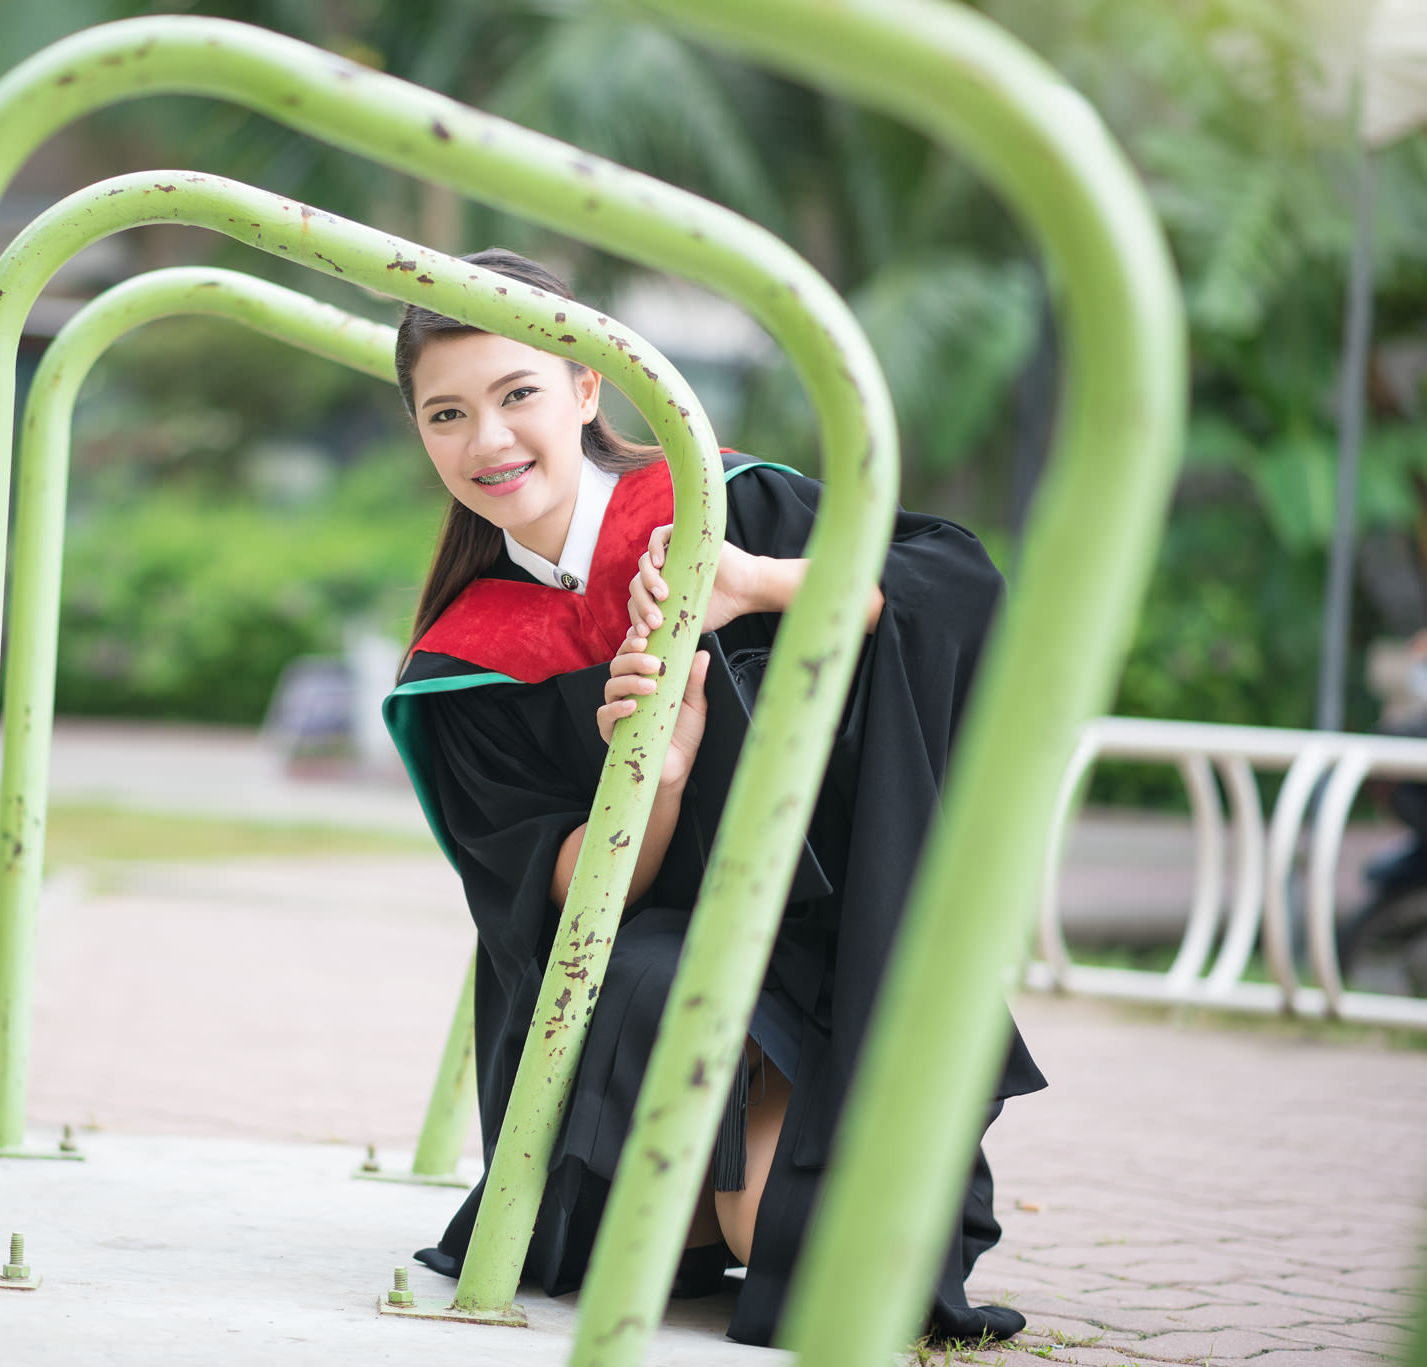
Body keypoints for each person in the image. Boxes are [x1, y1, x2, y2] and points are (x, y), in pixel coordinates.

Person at [382, 249, 1046, 1348]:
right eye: (445, 413)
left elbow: (957, 589)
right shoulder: (463, 665)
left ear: (587, 387)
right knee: (674, 999)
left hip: (832, 949)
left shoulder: (726, 508)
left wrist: (756, 582)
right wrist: (660, 770)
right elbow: (552, 898)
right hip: (634, 995)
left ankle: (770, 1193)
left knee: (827, 1258)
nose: (487, 441)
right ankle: (685, 1206)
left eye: (517, 395)